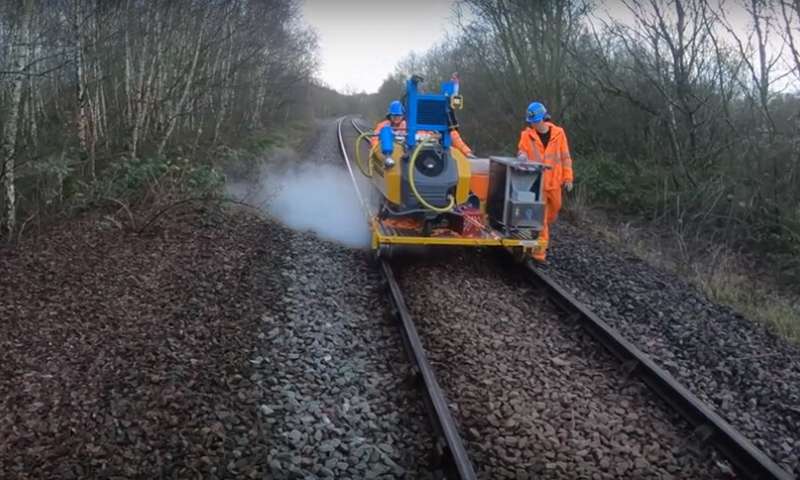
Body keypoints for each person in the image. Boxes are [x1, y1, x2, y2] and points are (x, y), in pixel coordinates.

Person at [516, 101, 573, 263]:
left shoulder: (559, 134)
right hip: (537, 183)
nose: (533, 124)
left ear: (542, 119)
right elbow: (522, 150)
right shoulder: (527, 135)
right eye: (531, 122)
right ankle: (539, 254)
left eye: (535, 121)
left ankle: (536, 229)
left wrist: (568, 178)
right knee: (541, 218)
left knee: (554, 211)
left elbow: (565, 157)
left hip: (555, 183)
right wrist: (521, 156)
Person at [371, 100, 475, 157]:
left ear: (403, 115)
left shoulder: (409, 125)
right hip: (392, 154)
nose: (396, 118)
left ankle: (467, 152)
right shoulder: (384, 125)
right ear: (389, 115)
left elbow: (424, 133)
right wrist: (376, 150)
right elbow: (375, 137)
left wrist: (466, 152)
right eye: (394, 116)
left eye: (398, 116)